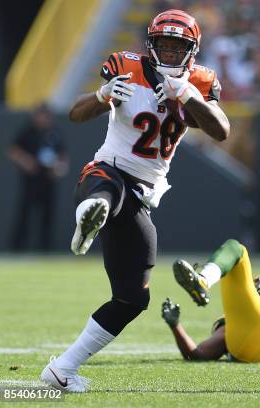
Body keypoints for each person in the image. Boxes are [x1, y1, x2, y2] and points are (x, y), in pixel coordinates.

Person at [40, 9, 229, 393]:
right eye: (164, 46)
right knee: (108, 190)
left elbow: (220, 130)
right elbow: (76, 114)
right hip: (107, 171)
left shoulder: (199, 82)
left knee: (133, 298)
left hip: (143, 193)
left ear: (192, 51)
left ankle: (62, 369)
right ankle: (93, 212)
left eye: (179, 48)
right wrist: (102, 94)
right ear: (151, 45)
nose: (171, 54)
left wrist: (188, 96)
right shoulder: (125, 68)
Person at [8, 104, 68, 251]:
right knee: (25, 214)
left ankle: (45, 248)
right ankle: (17, 248)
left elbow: (62, 156)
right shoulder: (27, 132)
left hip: (48, 180)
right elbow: (13, 150)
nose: (44, 118)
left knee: (47, 215)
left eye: (46, 115)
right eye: (41, 115)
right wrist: (25, 161)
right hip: (31, 180)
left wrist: (59, 168)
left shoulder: (54, 132)